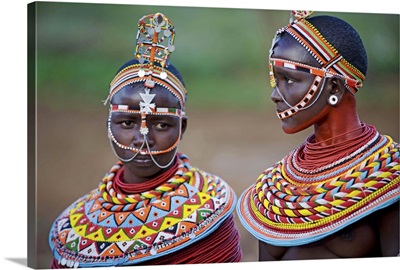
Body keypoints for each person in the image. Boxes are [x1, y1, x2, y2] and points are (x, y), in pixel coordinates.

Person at [48, 12, 242, 268]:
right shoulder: (76, 226)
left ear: (181, 128)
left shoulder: (210, 206)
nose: (143, 139)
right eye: (127, 123)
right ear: (109, 124)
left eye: (161, 125)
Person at [236, 10, 399, 260]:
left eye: (289, 79)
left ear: (334, 86)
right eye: (275, 80)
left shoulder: (389, 174)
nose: (275, 95)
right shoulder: (273, 187)